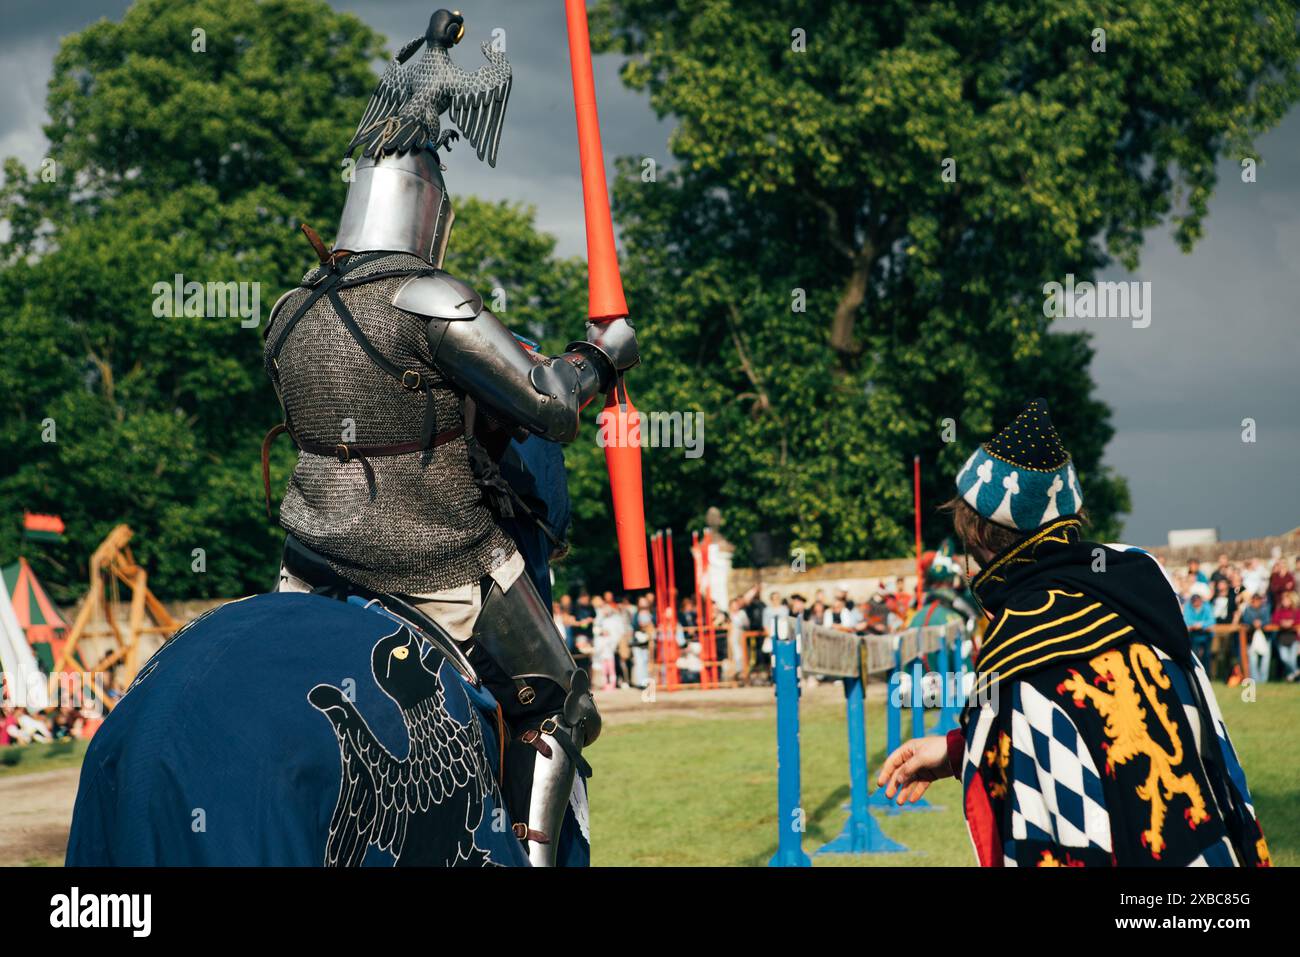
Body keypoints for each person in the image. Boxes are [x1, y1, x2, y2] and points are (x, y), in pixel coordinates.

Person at [260, 10, 640, 865]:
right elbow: (549, 405)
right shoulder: (430, 300)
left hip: (309, 559)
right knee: (562, 705)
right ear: (428, 208)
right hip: (438, 557)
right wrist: (601, 356)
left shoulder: (289, 312)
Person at [876, 398, 1269, 867]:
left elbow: (1048, 823)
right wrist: (958, 751)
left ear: (977, 539)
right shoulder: (1141, 599)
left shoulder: (1020, 657)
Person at [1239, 592, 1273, 683]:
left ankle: (1263, 680)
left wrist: (1261, 623)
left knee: (1265, 659)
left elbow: (1268, 620)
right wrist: (1253, 623)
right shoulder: (1248, 609)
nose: (1256, 602)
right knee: (1252, 659)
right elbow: (1245, 620)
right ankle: (1256, 680)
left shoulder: (1266, 609)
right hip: (1251, 637)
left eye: (1258, 600)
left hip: (1265, 637)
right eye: (1254, 600)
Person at [1270, 590, 1300, 682]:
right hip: (1282, 638)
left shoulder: (1296, 611)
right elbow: (1274, 620)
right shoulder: (1279, 610)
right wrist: (1281, 623)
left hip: (1294, 638)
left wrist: (1292, 623)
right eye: (1283, 599)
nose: (1284, 601)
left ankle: (1293, 675)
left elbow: (1298, 621)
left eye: (1286, 599)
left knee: (1292, 659)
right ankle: (1296, 671)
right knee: (1284, 657)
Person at [1183, 591, 1217, 668]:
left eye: (1197, 601)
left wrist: (1201, 625)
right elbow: (1186, 620)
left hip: (1206, 635)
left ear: (1200, 601)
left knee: (1207, 656)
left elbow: (1212, 621)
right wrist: (1195, 625)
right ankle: (1196, 670)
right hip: (1194, 635)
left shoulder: (1207, 606)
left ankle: (1208, 675)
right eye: (1194, 602)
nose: (1195, 604)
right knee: (1194, 655)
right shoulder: (1188, 607)